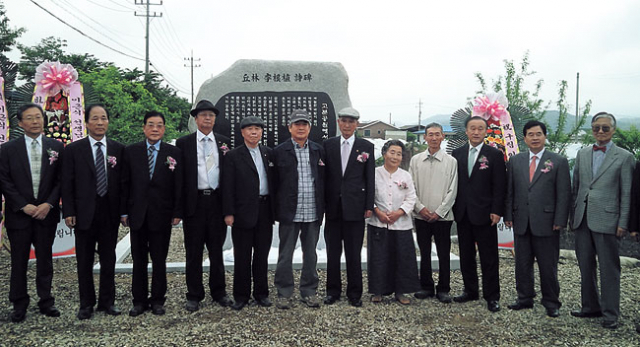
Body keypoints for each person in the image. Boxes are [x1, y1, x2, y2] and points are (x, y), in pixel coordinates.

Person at [0, 103, 64, 322]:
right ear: (20, 123)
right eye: (30, 118)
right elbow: (4, 180)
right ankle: (19, 303)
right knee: (18, 261)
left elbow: (60, 180)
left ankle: (46, 301)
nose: (36, 121)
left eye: (39, 117)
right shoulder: (8, 149)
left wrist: (49, 203)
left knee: (45, 259)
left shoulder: (56, 146)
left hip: (46, 214)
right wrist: (22, 205)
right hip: (20, 215)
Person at [571, 112, 634, 329]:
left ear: (613, 130)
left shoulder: (625, 157)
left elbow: (626, 193)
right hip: (582, 218)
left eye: (605, 128)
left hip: (608, 220)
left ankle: (610, 314)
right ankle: (590, 306)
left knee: (609, 269)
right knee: (585, 266)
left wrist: (623, 223)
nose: (600, 131)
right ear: (591, 129)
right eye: (596, 127)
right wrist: (573, 216)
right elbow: (577, 187)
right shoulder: (582, 153)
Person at [62, 104, 124, 320]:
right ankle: (86, 303)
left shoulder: (118, 149)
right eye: (95, 119)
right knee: (84, 260)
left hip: (110, 213)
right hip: (83, 213)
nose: (100, 123)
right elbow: (67, 183)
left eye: (104, 118)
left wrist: (124, 212)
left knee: (109, 259)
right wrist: (68, 210)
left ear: (108, 122)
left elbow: (123, 184)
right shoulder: (73, 150)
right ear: (86, 122)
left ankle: (107, 302)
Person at [504, 120, 570, 318]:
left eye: (538, 134)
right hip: (521, 220)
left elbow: (564, 193)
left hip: (547, 222)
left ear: (545, 136)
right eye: (530, 134)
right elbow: (510, 191)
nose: (534, 138)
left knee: (547, 265)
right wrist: (508, 215)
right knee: (522, 263)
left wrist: (560, 219)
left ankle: (551, 301)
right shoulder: (515, 161)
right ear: (524, 138)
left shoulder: (558, 161)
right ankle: (524, 297)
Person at [121, 111, 183, 317]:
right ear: (144, 128)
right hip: (137, 215)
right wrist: (123, 212)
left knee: (159, 259)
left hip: (162, 215)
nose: (155, 129)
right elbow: (125, 184)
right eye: (151, 125)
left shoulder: (173, 153)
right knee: (139, 260)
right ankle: (138, 301)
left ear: (164, 129)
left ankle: (158, 300)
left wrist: (176, 212)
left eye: (159, 125)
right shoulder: (131, 152)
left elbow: (178, 186)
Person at [176, 100, 233, 312]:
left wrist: (229, 209)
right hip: (195, 203)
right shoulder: (184, 144)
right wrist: (179, 211)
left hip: (217, 202)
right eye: (203, 115)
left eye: (211, 115)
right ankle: (194, 294)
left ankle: (219, 292)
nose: (207, 118)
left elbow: (228, 179)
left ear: (215, 118)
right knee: (193, 252)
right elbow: (179, 180)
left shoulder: (224, 143)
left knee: (217, 250)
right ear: (196, 118)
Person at [451, 116, 506, 312]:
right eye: (472, 128)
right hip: (463, 212)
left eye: (480, 128)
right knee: (466, 255)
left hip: (486, 213)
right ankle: (470, 290)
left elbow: (500, 185)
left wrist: (497, 210)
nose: (476, 132)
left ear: (486, 131)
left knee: (489, 257)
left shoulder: (494, 154)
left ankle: (492, 296)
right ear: (466, 131)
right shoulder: (456, 153)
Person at [272, 109, 326, 309]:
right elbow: (275, 183)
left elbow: (323, 181)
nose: (301, 127)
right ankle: (284, 292)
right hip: (289, 212)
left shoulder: (318, 150)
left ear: (310, 127)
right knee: (285, 254)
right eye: (297, 124)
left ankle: (309, 291)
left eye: (304, 124)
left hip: (312, 210)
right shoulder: (280, 151)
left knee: (310, 253)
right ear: (290, 127)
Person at [323, 107, 375, 308]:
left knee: (354, 253)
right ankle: (332, 291)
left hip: (355, 207)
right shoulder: (328, 145)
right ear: (338, 122)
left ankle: (355, 293)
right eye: (344, 121)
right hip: (334, 207)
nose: (347, 125)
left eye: (351, 121)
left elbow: (369, 177)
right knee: (332, 252)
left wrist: (369, 204)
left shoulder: (366, 146)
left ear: (357, 124)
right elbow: (325, 177)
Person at [223, 116, 275, 310]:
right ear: (242, 132)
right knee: (242, 256)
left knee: (262, 255)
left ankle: (261, 294)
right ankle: (241, 296)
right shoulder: (233, 156)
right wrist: (228, 212)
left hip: (264, 210)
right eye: (250, 129)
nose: (254, 132)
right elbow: (227, 186)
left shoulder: (269, 153)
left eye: (257, 129)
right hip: (242, 212)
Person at [409, 123, 458, 303]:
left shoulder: (451, 162)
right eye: (430, 134)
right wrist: (420, 208)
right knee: (424, 251)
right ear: (425, 137)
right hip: (421, 215)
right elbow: (410, 188)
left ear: (443, 137)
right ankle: (426, 286)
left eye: (437, 134)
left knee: (444, 252)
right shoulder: (415, 161)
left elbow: (453, 190)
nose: (434, 138)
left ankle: (444, 288)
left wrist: (439, 212)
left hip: (443, 217)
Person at [367, 140, 420, 304]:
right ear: (384, 154)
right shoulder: (374, 173)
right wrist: (377, 211)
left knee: (402, 258)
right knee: (378, 257)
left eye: (398, 154)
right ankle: (378, 291)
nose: (395, 157)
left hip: (401, 223)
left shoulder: (405, 175)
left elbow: (412, 197)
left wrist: (399, 212)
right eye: (392, 152)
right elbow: (368, 195)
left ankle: (401, 292)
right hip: (378, 222)